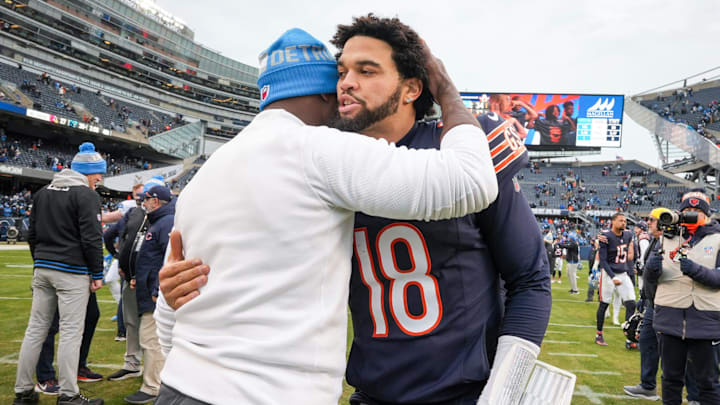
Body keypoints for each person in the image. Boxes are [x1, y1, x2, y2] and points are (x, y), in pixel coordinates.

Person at [152, 27, 498, 405]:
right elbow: (472, 180)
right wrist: (447, 91)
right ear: (323, 93)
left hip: (181, 386)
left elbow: (169, 311)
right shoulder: (317, 149)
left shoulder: (206, 174)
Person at [332, 15, 550, 404]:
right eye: (343, 70)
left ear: (411, 88)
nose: (347, 82)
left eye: (367, 71)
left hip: (460, 395)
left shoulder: (461, 151)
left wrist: (503, 392)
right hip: (371, 393)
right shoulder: (327, 161)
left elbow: (530, 278)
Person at [14, 143, 105, 405]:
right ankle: (68, 395)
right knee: (70, 333)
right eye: (98, 173)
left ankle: (23, 393)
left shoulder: (42, 193)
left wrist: (40, 263)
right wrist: (96, 272)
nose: (100, 179)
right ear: (88, 172)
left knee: (35, 331)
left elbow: (32, 235)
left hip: (43, 269)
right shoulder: (86, 196)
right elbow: (91, 238)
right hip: (72, 272)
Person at [645, 190, 720, 404]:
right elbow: (651, 281)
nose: (691, 215)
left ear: (707, 214)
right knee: (670, 379)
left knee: (708, 382)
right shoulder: (667, 237)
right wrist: (651, 270)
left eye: (697, 211)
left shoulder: (717, 238)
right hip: (670, 318)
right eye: (687, 210)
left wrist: (695, 270)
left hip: (706, 320)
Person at [124, 185, 174, 404]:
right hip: (150, 289)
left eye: (145, 199)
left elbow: (169, 260)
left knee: (151, 340)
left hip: (156, 295)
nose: (143, 203)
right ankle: (155, 381)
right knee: (151, 339)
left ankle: (153, 386)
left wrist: (156, 289)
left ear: (155, 201)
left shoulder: (166, 223)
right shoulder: (159, 222)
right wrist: (139, 277)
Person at [623, 208, 668, 400]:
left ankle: (680, 390)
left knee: (669, 348)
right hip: (652, 301)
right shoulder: (655, 241)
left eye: (651, 219)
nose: (647, 223)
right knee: (646, 340)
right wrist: (643, 297)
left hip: (666, 303)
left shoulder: (670, 242)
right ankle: (648, 386)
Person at [595, 212, 636, 346]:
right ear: (613, 222)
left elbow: (628, 251)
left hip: (623, 274)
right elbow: (603, 260)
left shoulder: (628, 235)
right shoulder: (606, 237)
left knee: (631, 304)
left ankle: (630, 337)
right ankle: (599, 335)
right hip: (608, 274)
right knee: (604, 303)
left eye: (625, 221)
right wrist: (612, 277)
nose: (623, 223)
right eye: (620, 221)